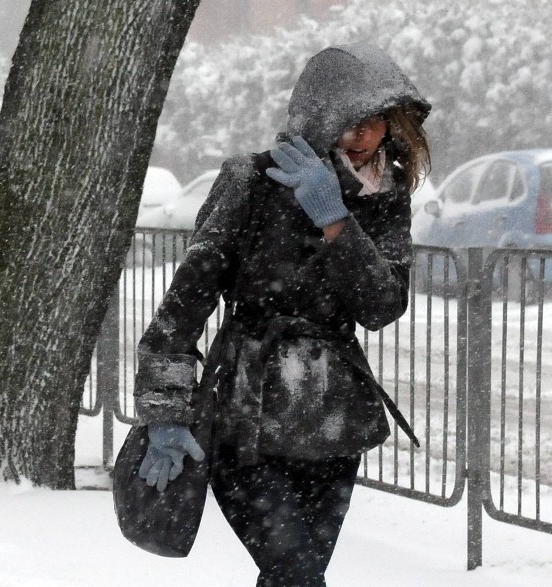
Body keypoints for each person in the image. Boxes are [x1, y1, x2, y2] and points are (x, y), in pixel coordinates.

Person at [133, 43, 431, 586]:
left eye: (378, 122)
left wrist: (337, 222)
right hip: (246, 418)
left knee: (295, 577)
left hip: (336, 422)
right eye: (352, 122)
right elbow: (182, 308)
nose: (366, 135)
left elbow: (382, 306)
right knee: (296, 574)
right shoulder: (250, 181)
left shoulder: (385, 196)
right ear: (319, 118)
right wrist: (165, 412)